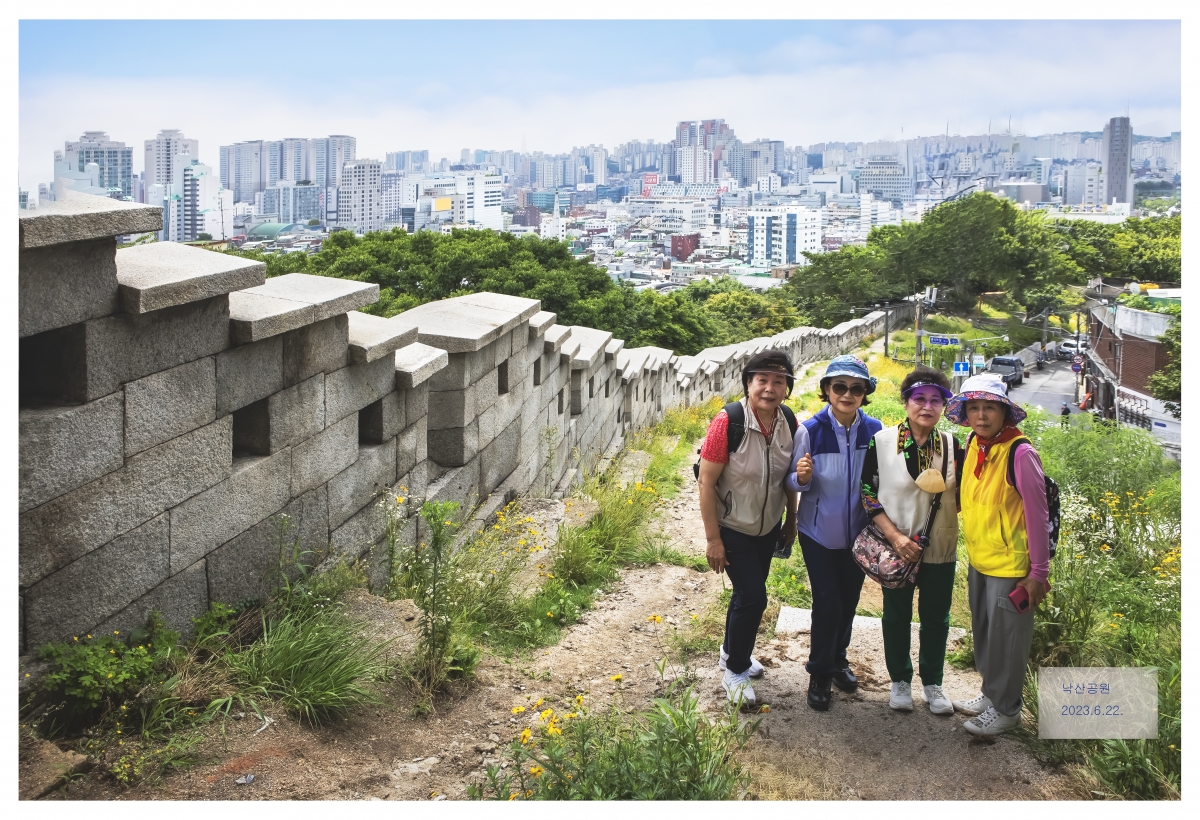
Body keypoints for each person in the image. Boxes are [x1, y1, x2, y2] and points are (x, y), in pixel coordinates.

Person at [944, 373, 1052, 735]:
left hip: (1011, 566)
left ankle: (1007, 710)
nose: (980, 415)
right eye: (973, 407)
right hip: (980, 559)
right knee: (986, 635)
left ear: (1004, 411)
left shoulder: (1020, 453)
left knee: (1008, 640)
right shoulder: (975, 443)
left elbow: (1038, 516)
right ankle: (991, 694)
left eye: (989, 407)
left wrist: (1038, 573)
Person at [859, 366, 964, 715]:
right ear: (906, 402)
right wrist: (896, 537)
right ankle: (900, 680)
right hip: (896, 548)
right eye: (919, 398)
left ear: (944, 407)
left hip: (940, 547)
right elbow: (868, 494)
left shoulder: (952, 446)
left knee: (937, 617)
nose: (927, 406)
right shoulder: (882, 442)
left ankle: (933, 682)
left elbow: (962, 496)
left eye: (936, 400)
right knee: (896, 615)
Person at [698, 350, 799, 706]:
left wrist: (791, 519)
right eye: (762, 380)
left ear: (786, 387)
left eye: (779, 381)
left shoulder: (788, 420)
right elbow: (706, 482)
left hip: (768, 527)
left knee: (745, 595)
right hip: (732, 526)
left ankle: (731, 653)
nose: (770, 388)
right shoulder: (729, 421)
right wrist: (713, 539)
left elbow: (788, 476)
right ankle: (736, 671)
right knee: (755, 597)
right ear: (748, 384)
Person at [786, 355, 883, 711]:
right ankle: (820, 672)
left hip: (860, 535)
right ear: (827, 389)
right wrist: (802, 478)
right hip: (818, 534)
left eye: (856, 388)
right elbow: (791, 480)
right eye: (839, 386)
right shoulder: (810, 430)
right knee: (827, 602)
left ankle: (838, 657)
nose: (847, 394)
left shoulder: (875, 430)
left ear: (864, 394)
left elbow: (880, 479)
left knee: (849, 600)